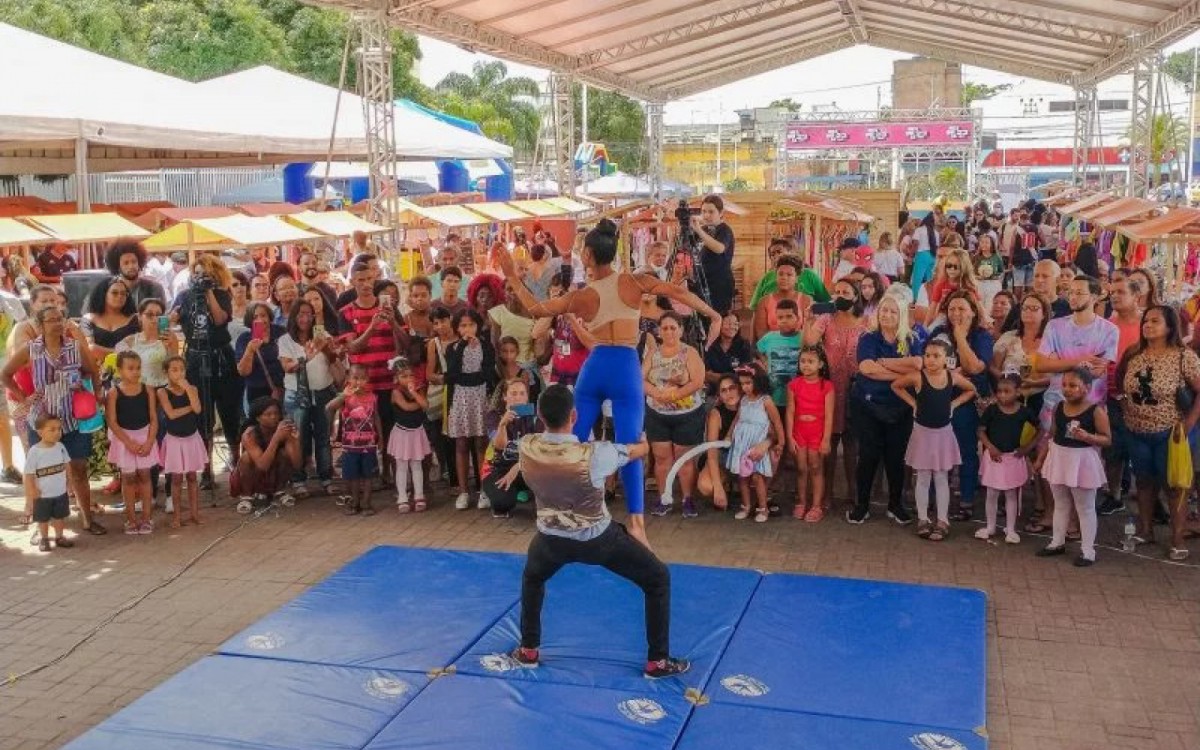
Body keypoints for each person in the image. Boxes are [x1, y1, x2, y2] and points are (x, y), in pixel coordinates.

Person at [496, 220, 721, 523]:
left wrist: (511, 274)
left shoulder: (582, 296)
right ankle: (637, 522)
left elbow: (536, 309)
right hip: (626, 368)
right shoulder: (635, 281)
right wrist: (713, 313)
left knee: (570, 439)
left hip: (597, 366)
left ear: (587, 255)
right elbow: (678, 294)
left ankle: (562, 507)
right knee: (629, 447)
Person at [504, 385, 688, 679]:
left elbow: (504, 445)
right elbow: (639, 451)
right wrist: (640, 435)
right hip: (598, 541)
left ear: (539, 415)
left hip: (550, 540)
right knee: (658, 578)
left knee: (532, 577)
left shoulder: (527, 445)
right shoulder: (595, 454)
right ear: (574, 416)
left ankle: (528, 650)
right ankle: (658, 662)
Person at [3, 305, 104, 535]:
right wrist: (22, 397)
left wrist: (93, 392)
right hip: (42, 421)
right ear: (40, 325)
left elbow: (92, 370)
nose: (57, 324)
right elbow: (5, 374)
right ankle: (43, 527)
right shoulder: (31, 350)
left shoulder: (75, 347)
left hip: (72, 419)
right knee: (43, 473)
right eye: (51, 320)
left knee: (78, 468)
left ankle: (87, 519)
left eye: (60, 319)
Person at [1116, 306, 1200, 561]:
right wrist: (1124, 407)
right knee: (1143, 481)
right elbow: (1120, 381)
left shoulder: (1183, 356)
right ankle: (1145, 530)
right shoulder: (1134, 353)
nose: (1148, 325)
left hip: (1170, 432)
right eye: (1146, 321)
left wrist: (1188, 424)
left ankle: (1177, 538)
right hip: (1136, 429)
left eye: (1155, 321)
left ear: (1170, 327)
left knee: (1174, 486)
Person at [848, 294, 922, 525]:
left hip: (900, 408)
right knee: (868, 455)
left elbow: (919, 365)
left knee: (895, 457)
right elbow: (866, 367)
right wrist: (901, 375)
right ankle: (862, 505)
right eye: (883, 310)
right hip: (868, 406)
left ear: (900, 315)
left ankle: (895, 504)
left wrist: (885, 364)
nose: (887, 315)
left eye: (892, 311)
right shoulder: (869, 337)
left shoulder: (911, 338)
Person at [893, 340, 976, 541]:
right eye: (927, 355)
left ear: (946, 359)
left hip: (943, 434)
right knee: (922, 477)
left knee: (941, 478)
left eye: (936, 356)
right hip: (922, 433)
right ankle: (922, 518)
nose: (931, 360)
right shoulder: (917, 377)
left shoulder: (952, 377)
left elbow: (971, 389)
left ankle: (942, 520)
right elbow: (896, 385)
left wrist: (954, 404)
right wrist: (913, 403)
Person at [172, 254, 245, 484]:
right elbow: (172, 319)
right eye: (197, 272)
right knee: (202, 416)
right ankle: (206, 470)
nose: (200, 276)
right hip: (195, 358)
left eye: (206, 272)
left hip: (221, 358)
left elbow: (220, 319)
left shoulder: (222, 294)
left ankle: (237, 462)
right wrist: (173, 314)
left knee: (229, 413)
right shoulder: (183, 296)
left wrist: (209, 292)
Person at [926, 291, 993, 521]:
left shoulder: (982, 336)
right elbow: (929, 363)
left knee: (966, 451)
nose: (956, 313)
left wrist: (960, 336)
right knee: (937, 451)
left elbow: (974, 368)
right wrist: (950, 372)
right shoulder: (938, 333)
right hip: (938, 401)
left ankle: (966, 499)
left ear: (973, 312)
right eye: (952, 309)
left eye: (962, 309)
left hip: (967, 403)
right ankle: (933, 499)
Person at [1034, 367, 1111, 567]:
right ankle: (1057, 542)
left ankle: (1088, 551)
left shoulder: (1096, 411)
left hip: (1082, 460)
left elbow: (1107, 439)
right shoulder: (1059, 407)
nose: (1067, 389)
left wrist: (1088, 437)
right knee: (1060, 503)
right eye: (1065, 385)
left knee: (1084, 507)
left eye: (1073, 386)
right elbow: (1051, 434)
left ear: (1086, 388)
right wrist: (1041, 457)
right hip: (1059, 456)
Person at [805, 279, 865, 508]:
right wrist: (809, 320)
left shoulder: (865, 322)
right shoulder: (826, 319)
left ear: (855, 296)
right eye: (836, 291)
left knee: (852, 442)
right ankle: (827, 493)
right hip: (831, 389)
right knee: (829, 441)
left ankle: (853, 491)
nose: (840, 295)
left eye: (845, 292)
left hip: (856, 389)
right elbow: (810, 341)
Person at [644, 312, 707, 518]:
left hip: (687, 414)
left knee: (685, 459)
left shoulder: (690, 353)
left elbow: (697, 381)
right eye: (665, 328)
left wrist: (675, 395)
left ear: (680, 330)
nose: (669, 332)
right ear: (659, 331)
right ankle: (664, 498)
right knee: (662, 458)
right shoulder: (652, 354)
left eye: (673, 327)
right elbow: (640, 379)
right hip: (657, 413)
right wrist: (656, 394)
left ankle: (687, 499)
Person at [278, 299, 339, 497]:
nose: (305, 318)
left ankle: (326, 477)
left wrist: (328, 348)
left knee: (323, 437)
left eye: (308, 314)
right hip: (297, 394)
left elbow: (333, 360)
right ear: (294, 317)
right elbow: (287, 367)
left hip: (322, 392)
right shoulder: (285, 340)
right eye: (301, 314)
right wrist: (307, 357)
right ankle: (298, 479)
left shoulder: (322, 335)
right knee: (298, 438)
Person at [976, 375, 1041, 544]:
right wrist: (990, 447)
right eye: (999, 391)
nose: (1002, 395)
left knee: (1011, 493)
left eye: (1007, 391)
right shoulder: (992, 410)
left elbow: (1040, 430)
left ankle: (1010, 529)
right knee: (991, 493)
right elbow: (981, 430)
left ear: (1017, 392)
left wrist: (1027, 447)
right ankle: (990, 526)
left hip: (1013, 457)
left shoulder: (1025, 411)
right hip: (994, 457)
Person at [1100, 275, 1142, 517]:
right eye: (1112, 292)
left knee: (1143, 451)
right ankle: (1114, 495)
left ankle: (1153, 500)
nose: (1114, 296)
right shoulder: (1107, 325)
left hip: (1142, 397)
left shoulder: (1147, 323)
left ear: (1136, 296)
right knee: (1113, 450)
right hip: (1112, 396)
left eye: (1120, 292)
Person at [446, 308, 495, 510]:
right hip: (460, 398)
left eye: (471, 324)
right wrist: (464, 346)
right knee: (461, 444)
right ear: (457, 328)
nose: (468, 329)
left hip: (480, 396)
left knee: (481, 443)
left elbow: (487, 372)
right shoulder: (453, 348)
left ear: (478, 325)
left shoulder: (486, 346)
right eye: (463, 325)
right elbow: (453, 373)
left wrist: (473, 379)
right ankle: (464, 491)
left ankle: (484, 490)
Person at [105, 351, 159, 535]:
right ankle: (131, 519)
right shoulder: (114, 393)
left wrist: (150, 441)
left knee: (145, 476)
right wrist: (127, 442)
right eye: (130, 368)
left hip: (144, 437)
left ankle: (146, 518)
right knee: (127, 478)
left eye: (138, 368)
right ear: (120, 370)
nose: (135, 372)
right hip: (124, 440)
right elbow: (112, 421)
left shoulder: (148, 390)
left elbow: (153, 417)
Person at [724, 363, 785, 523]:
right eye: (742, 383)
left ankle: (763, 508)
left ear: (757, 381)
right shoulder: (743, 400)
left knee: (758, 478)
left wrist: (781, 442)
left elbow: (777, 422)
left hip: (757, 445)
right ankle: (746, 505)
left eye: (748, 383)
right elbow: (737, 419)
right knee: (742, 477)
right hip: (742, 444)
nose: (745, 387)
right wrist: (729, 435)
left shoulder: (766, 401)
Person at [157, 356, 207, 528]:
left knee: (193, 477)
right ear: (167, 372)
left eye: (182, 369)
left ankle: (194, 513)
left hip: (191, 437)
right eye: (174, 370)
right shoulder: (162, 392)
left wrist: (188, 390)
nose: (179, 373)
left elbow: (198, 409)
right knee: (176, 479)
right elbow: (171, 414)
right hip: (174, 439)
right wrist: (190, 408)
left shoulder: (191, 388)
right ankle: (177, 516)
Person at [787, 346, 834, 522]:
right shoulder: (793, 385)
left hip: (817, 434)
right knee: (801, 469)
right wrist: (790, 436)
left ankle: (816, 506)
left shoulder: (827, 386)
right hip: (800, 432)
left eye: (810, 362)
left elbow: (829, 415)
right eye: (803, 361)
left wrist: (826, 440)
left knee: (816, 468)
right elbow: (790, 412)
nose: (806, 365)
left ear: (820, 364)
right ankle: (801, 502)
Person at [481, 378, 539, 518]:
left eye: (521, 393)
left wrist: (518, 467)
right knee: (502, 503)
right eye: (513, 393)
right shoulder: (493, 416)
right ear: (504, 397)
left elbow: (539, 450)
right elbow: (500, 446)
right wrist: (502, 425)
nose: (518, 397)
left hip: (527, 466)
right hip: (498, 467)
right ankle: (495, 494)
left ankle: (529, 492)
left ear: (527, 397)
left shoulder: (536, 415)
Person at [326, 366, 380, 515]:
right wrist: (344, 395)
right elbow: (329, 408)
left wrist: (380, 437)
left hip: (369, 445)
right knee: (353, 477)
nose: (358, 382)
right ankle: (355, 502)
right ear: (349, 379)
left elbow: (376, 417)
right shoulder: (345, 398)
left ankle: (367, 503)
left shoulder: (372, 397)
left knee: (368, 476)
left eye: (362, 378)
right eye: (355, 378)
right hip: (350, 446)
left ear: (367, 380)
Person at [24, 414, 76, 552]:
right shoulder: (34, 452)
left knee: (59, 517)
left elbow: (67, 465)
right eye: (51, 429)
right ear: (40, 432)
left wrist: (70, 482)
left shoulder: (60, 447)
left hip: (59, 491)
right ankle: (44, 538)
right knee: (43, 519)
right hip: (43, 494)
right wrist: (32, 490)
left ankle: (59, 537)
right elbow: (28, 474)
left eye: (59, 429)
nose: (57, 433)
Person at [388, 358, 432, 514]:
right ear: (396, 379)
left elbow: (426, 405)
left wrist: (414, 393)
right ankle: (402, 497)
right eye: (403, 376)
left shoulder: (418, 390)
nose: (408, 379)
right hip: (402, 434)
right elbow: (406, 407)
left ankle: (419, 495)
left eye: (410, 376)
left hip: (416, 433)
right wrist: (418, 403)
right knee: (401, 466)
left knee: (416, 464)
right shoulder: (396, 392)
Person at [697, 374, 740, 510]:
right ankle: (725, 485)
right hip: (722, 457)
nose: (728, 393)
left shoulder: (752, 407)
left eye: (732, 388)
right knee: (706, 486)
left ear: (740, 388)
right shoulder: (716, 414)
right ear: (719, 395)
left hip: (744, 456)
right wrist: (718, 487)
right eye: (723, 390)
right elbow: (712, 451)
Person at [689, 195, 736, 315]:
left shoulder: (724, 230)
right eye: (704, 211)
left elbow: (719, 248)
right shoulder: (703, 229)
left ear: (720, 213)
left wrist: (699, 231)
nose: (706, 215)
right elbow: (686, 247)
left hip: (719, 286)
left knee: (717, 320)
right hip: (701, 283)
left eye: (711, 211)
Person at [117, 298, 179, 388]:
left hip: (162, 390)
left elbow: (175, 369)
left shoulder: (169, 337)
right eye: (149, 315)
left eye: (158, 315)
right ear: (140, 317)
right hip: (137, 391)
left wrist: (169, 347)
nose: (154, 319)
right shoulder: (130, 341)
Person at [755, 298, 802, 409]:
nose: (784, 320)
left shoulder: (803, 338)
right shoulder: (769, 337)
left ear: (798, 318)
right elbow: (757, 350)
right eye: (780, 317)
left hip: (798, 398)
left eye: (789, 316)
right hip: (774, 397)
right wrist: (764, 362)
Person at [235, 303, 286, 404]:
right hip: (257, 391)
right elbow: (243, 372)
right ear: (250, 320)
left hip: (283, 388)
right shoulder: (245, 338)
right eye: (255, 317)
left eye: (263, 315)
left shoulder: (280, 332)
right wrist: (250, 350)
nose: (260, 320)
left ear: (269, 316)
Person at [753, 256, 808, 341]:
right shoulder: (764, 302)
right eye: (780, 274)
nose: (784, 278)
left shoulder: (806, 301)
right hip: (771, 349)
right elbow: (761, 335)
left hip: (799, 349)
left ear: (796, 278)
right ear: (776, 276)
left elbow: (809, 334)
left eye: (789, 275)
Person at [104, 240, 167, 308]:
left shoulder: (154, 288)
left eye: (134, 262)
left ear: (139, 263)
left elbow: (162, 317)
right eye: (126, 263)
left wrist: (168, 318)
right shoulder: (109, 289)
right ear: (118, 267)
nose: (131, 266)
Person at [704, 312, 754, 391]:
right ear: (719, 325)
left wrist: (718, 377)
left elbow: (745, 373)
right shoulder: (711, 346)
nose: (732, 327)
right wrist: (732, 377)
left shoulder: (744, 345)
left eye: (735, 324)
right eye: (728, 323)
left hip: (738, 390)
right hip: (715, 391)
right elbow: (707, 375)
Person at [974, 234, 1004, 312]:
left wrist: (997, 277)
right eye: (982, 242)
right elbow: (971, 273)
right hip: (980, 284)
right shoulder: (976, 257)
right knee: (979, 306)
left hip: (992, 284)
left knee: (990, 307)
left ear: (991, 244)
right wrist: (977, 277)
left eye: (987, 242)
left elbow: (1001, 271)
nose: (984, 244)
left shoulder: (996, 257)